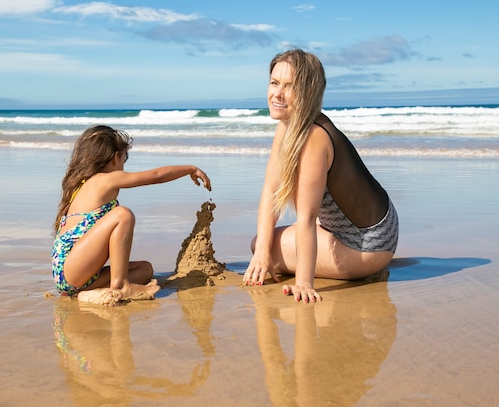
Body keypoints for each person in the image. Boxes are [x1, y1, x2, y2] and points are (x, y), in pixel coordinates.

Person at [243, 49, 399, 303]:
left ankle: (362, 268)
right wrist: (261, 253)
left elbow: (306, 218)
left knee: (263, 246)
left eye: (289, 86)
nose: (277, 94)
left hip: (368, 245)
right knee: (261, 246)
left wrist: (303, 283)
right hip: (373, 223)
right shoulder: (288, 125)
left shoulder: (314, 137)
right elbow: (271, 191)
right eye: (274, 83)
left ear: (308, 92)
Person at [52, 125, 212, 303]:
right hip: (72, 268)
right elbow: (156, 175)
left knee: (145, 270)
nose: (123, 166)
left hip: (75, 275)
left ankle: (85, 294)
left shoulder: (81, 185)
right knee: (122, 215)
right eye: (124, 159)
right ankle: (121, 286)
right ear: (115, 157)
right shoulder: (103, 179)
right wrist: (190, 168)